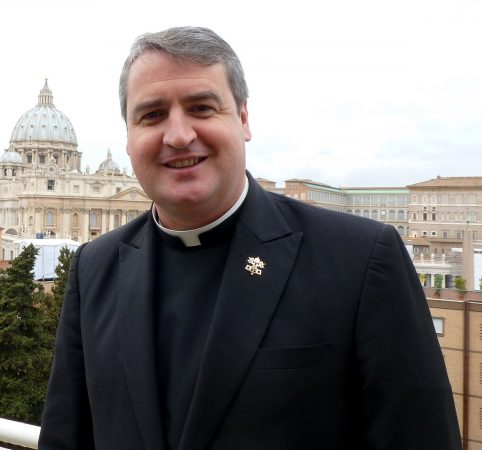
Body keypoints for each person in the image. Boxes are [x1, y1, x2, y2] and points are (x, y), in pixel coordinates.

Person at [39, 26, 461, 450]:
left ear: (242, 119)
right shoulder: (94, 267)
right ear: (128, 138)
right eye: (151, 115)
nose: (179, 135)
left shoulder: (363, 259)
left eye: (202, 108)